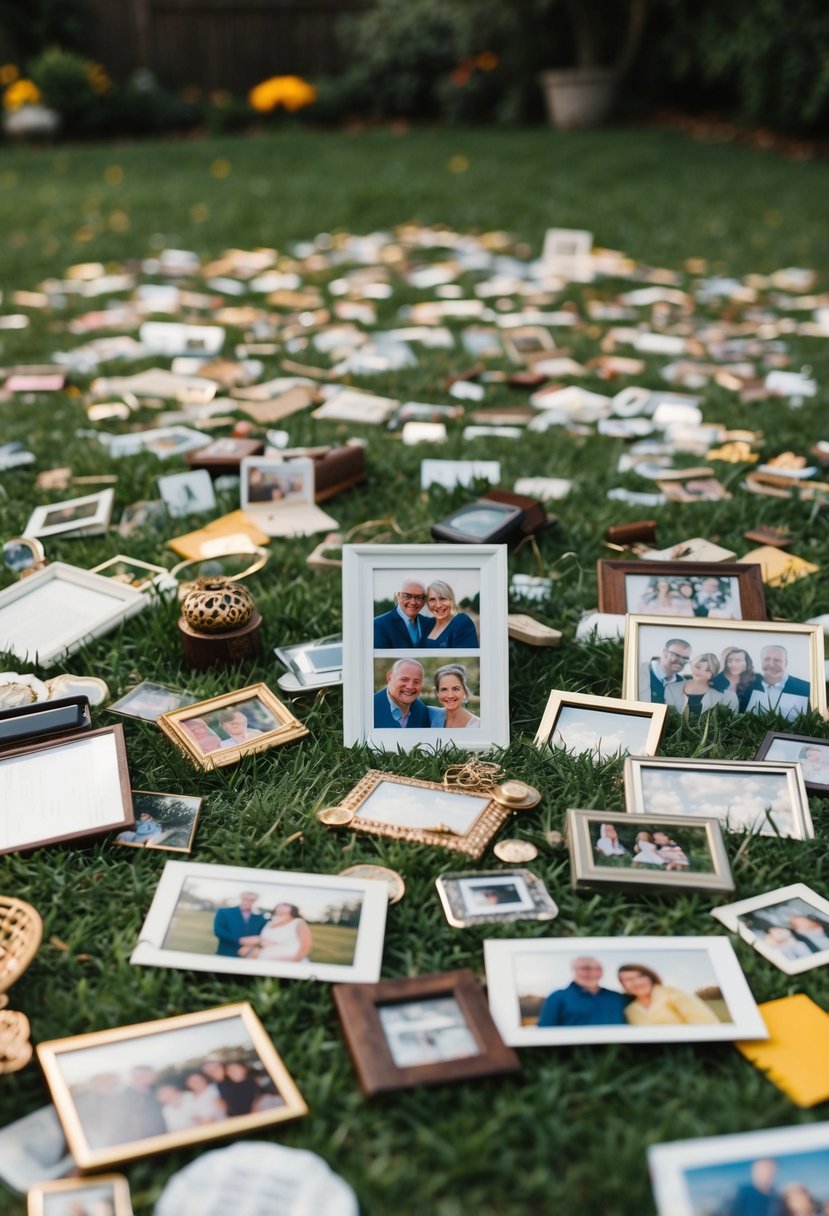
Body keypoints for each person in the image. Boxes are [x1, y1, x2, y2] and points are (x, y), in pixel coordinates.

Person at [537, 956, 630, 1027]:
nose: (593, 973)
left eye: (598, 969)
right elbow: (545, 1029)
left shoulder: (616, 997)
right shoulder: (558, 997)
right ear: (574, 970)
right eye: (586, 968)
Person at [617, 964, 719, 1025]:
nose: (637, 982)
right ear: (623, 985)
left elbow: (704, 1021)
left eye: (640, 976)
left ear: (650, 977)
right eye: (629, 979)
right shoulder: (630, 1010)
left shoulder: (671, 993)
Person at [663, 652, 739, 719]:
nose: (700, 672)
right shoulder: (671, 688)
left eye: (708, 670)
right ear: (692, 665)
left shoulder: (726, 696)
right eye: (698, 667)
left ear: (713, 674)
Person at [745, 645, 810, 722]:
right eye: (767, 659)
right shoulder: (747, 686)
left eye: (777, 660)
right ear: (761, 661)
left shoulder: (805, 688)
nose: (771, 664)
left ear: (786, 663)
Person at [240, 902, 312, 962]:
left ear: (292, 911)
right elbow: (266, 941)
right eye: (279, 911)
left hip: (288, 960)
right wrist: (256, 945)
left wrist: (294, 960)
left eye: (286, 906)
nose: (282, 908)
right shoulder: (269, 923)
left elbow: (305, 946)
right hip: (265, 958)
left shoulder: (298, 922)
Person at [373, 580, 434, 648]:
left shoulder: (431, 623)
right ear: (398, 595)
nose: (413, 602)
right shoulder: (378, 624)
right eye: (407, 596)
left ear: (424, 600)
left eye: (419, 597)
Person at [373, 659, 432, 728]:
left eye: (416, 682)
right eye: (404, 679)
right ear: (389, 677)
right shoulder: (370, 707)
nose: (410, 687)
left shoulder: (422, 711)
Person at [422, 580, 479, 647]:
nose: (438, 605)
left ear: (451, 600)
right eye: (432, 599)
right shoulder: (428, 624)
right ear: (427, 603)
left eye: (443, 599)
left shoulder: (461, 622)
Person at [213, 891, 267, 957]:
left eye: (252, 900)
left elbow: (261, 935)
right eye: (245, 899)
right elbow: (219, 931)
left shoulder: (261, 918)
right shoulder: (224, 912)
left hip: (248, 955)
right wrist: (240, 940)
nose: (248, 902)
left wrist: (252, 946)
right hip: (225, 953)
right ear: (241, 898)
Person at [639, 637, 691, 704]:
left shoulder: (683, 685)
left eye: (685, 658)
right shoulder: (638, 674)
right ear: (664, 652)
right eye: (676, 655)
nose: (681, 661)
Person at [430, 664, 480, 729]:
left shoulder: (478, 725)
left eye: (456, 689)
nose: (450, 695)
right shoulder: (431, 715)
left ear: (464, 690)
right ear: (437, 693)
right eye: (444, 689)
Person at [711, 648, 757, 713]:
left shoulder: (755, 680)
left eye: (738, 660)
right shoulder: (715, 681)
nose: (734, 664)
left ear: (747, 662)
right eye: (729, 661)